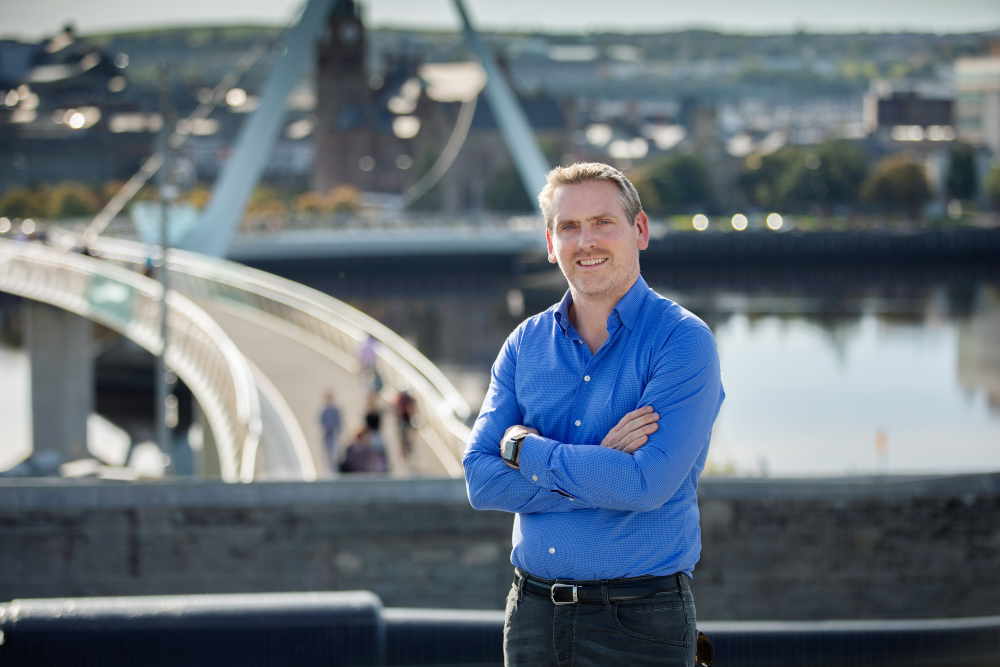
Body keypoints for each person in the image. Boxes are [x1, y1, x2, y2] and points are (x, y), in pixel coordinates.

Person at [463, 163, 724, 667]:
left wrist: (524, 450)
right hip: (532, 618)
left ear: (640, 230)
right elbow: (480, 480)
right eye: (569, 227)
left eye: (603, 222)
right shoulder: (524, 345)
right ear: (550, 241)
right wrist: (600, 466)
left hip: (640, 624)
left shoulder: (682, 341)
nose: (586, 241)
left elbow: (646, 486)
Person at [319, 391, 342, 473]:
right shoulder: (323, 410)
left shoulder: (335, 410)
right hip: (326, 435)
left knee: (335, 453)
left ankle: (335, 470)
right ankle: (328, 470)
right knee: (327, 453)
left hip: (333, 435)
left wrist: (338, 432)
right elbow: (321, 422)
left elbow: (338, 422)